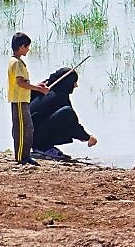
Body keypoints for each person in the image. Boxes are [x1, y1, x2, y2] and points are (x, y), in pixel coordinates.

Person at [29, 67, 98, 161]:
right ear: (68, 82)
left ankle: (43, 146)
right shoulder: (59, 96)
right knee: (67, 112)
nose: (76, 85)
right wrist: (88, 137)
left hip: (28, 136)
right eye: (74, 82)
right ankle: (43, 147)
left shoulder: (42, 90)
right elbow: (72, 122)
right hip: (35, 137)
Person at [8, 32, 48, 166]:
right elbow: (20, 82)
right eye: (27, 46)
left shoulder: (18, 62)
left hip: (23, 99)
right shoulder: (16, 63)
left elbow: (23, 81)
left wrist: (37, 85)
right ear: (20, 47)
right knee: (21, 129)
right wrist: (38, 89)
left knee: (28, 128)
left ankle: (25, 155)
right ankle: (21, 157)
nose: (28, 49)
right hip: (18, 100)